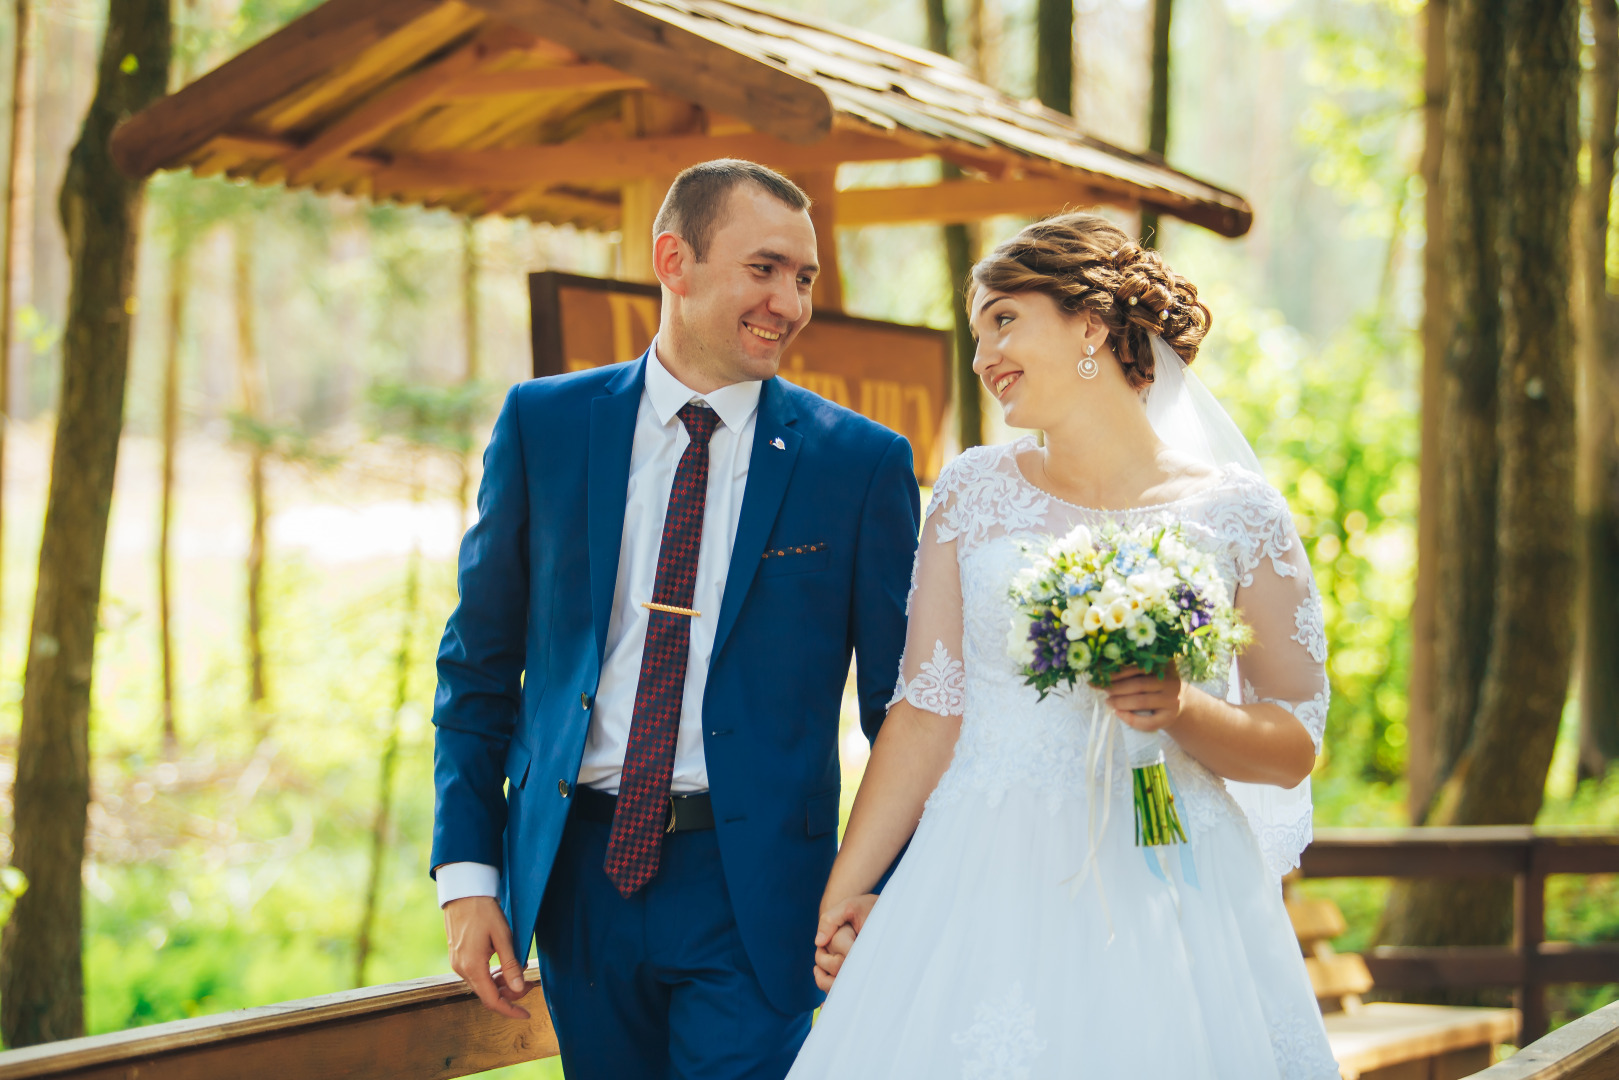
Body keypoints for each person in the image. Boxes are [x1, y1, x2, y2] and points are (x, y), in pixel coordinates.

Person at [789, 212, 1341, 1078]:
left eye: (1004, 319)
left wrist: (1183, 708)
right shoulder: (970, 493)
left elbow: (1292, 746)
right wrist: (843, 890)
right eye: (976, 334)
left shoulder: (1236, 514)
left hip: (1171, 881)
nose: (982, 356)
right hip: (983, 876)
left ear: (1090, 323)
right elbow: (926, 713)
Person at [430, 159, 920, 1078]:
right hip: (578, 876)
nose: (791, 302)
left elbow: (905, 710)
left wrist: (879, 889)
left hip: (762, 897)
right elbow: (477, 669)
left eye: (805, 278)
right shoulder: (543, 425)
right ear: (674, 261)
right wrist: (468, 876)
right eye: (765, 268)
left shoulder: (857, 464)